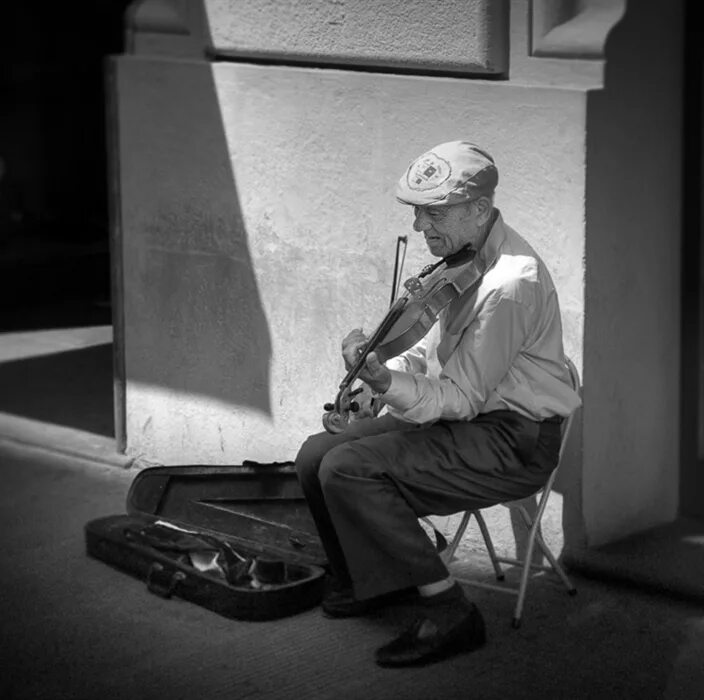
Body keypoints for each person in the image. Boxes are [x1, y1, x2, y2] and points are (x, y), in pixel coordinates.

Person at [295, 140, 582, 667]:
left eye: (435, 212)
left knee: (351, 470)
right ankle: (372, 582)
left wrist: (386, 386)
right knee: (315, 456)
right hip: (475, 425)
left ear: (478, 208)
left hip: (513, 441)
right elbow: (428, 354)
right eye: (417, 212)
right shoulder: (463, 261)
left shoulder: (509, 284)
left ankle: (450, 611)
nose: (422, 225)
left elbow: (459, 399)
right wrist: (381, 377)